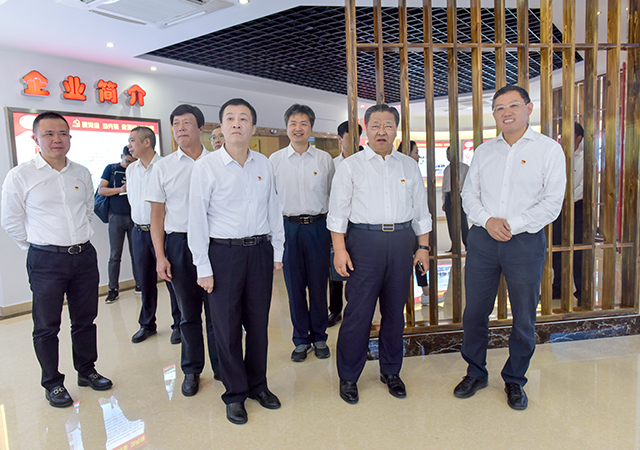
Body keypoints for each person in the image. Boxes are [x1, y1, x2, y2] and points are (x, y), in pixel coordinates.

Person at [455, 85, 566, 411]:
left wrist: (511, 225)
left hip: (525, 242)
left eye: (513, 105)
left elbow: (552, 203)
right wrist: (488, 221)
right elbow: (468, 195)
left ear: (529, 109)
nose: (506, 112)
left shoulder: (548, 150)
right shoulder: (484, 151)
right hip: (483, 240)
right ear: (494, 114)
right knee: (475, 311)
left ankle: (515, 379)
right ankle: (475, 372)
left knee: (524, 316)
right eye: (499, 107)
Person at [1, 111, 112, 408]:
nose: (57, 139)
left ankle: (87, 371)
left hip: (83, 256)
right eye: (48, 134)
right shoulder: (21, 175)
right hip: (46, 260)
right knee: (47, 325)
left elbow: (87, 209)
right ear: (35, 138)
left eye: (62, 133)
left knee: (85, 320)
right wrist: (38, 246)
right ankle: (52, 383)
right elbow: (11, 220)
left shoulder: (81, 172)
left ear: (70, 138)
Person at [188, 98, 285, 425]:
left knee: (258, 324)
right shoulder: (207, 167)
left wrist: (277, 251)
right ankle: (235, 394)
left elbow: (274, 209)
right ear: (221, 127)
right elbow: (197, 219)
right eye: (230, 118)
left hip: (259, 252)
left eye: (243, 119)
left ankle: (259, 385)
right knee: (227, 327)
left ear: (253, 128)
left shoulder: (264, 164)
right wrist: (203, 267)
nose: (236, 124)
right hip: (223, 254)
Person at [328, 104, 432, 404]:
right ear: (366, 129)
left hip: (401, 241)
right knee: (358, 313)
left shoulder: (408, 166)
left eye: (388, 125)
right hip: (364, 242)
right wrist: (339, 250)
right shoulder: (351, 166)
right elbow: (337, 214)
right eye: (375, 125)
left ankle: (391, 371)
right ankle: (349, 376)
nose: (382, 131)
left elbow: (420, 211)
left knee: (395, 313)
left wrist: (423, 248)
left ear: (396, 130)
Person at [147, 104, 221, 398]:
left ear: (200, 128)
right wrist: (160, 256)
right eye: (176, 124)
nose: (180, 128)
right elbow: (157, 216)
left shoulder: (218, 162)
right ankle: (191, 370)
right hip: (179, 244)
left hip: (215, 244)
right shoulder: (163, 167)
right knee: (188, 314)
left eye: (186, 123)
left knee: (218, 312)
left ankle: (222, 366)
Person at [270, 104, 334, 362]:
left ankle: (319, 337)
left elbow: (333, 196)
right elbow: (270, 201)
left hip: (318, 227)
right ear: (286, 128)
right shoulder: (274, 161)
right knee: (294, 287)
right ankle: (300, 339)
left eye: (303, 123)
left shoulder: (324, 160)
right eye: (293, 123)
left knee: (318, 285)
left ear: (311, 128)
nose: (298, 128)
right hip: (288, 228)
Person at [126, 126, 181, 344]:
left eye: (132, 141)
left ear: (147, 142)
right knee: (145, 280)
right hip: (139, 232)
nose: (129, 146)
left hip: (162, 232)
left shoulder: (166, 166)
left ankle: (179, 324)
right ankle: (147, 324)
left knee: (172, 280)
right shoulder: (131, 170)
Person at [328, 120, 363, 327]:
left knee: (360, 270)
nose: (355, 141)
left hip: (360, 227)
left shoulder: (367, 162)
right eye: (350, 137)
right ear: (340, 139)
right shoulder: (332, 165)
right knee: (336, 269)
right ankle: (335, 310)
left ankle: (358, 309)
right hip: (339, 226)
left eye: (358, 137)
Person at [98, 146, 140, 303]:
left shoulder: (137, 169)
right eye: (127, 161)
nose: (129, 165)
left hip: (134, 217)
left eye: (132, 162)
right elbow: (102, 190)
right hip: (116, 217)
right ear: (121, 156)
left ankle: (139, 284)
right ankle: (113, 289)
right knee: (115, 255)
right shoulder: (112, 169)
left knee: (136, 253)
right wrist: (120, 189)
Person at [552, 122, 584, 305]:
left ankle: (582, 292)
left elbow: (584, 187)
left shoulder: (585, 159)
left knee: (579, 251)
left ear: (579, 138)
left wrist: (566, 199)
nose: (564, 140)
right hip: (558, 208)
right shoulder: (557, 157)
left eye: (568, 136)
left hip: (578, 208)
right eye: (562, 137)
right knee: (557, 249)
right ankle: (558, 289)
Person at [398, 140, 431, 306]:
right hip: (403, 231)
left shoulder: (413, 170)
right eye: (416, 152)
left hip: (415, 227)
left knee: (420, 257)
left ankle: (425, 292)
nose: (418, 156)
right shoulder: (398, 170)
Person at [442, 146, 470, 252]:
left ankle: (467, 245)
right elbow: (444, 187)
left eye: (450, 154)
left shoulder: (465, 168)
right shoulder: (446, 170)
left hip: (460, 196)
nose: (449, 156)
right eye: (447, 154)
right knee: (450, 222)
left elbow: (468, 185)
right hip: (449, 196)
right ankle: (454, 245)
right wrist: (444, 201)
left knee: (462, 222)